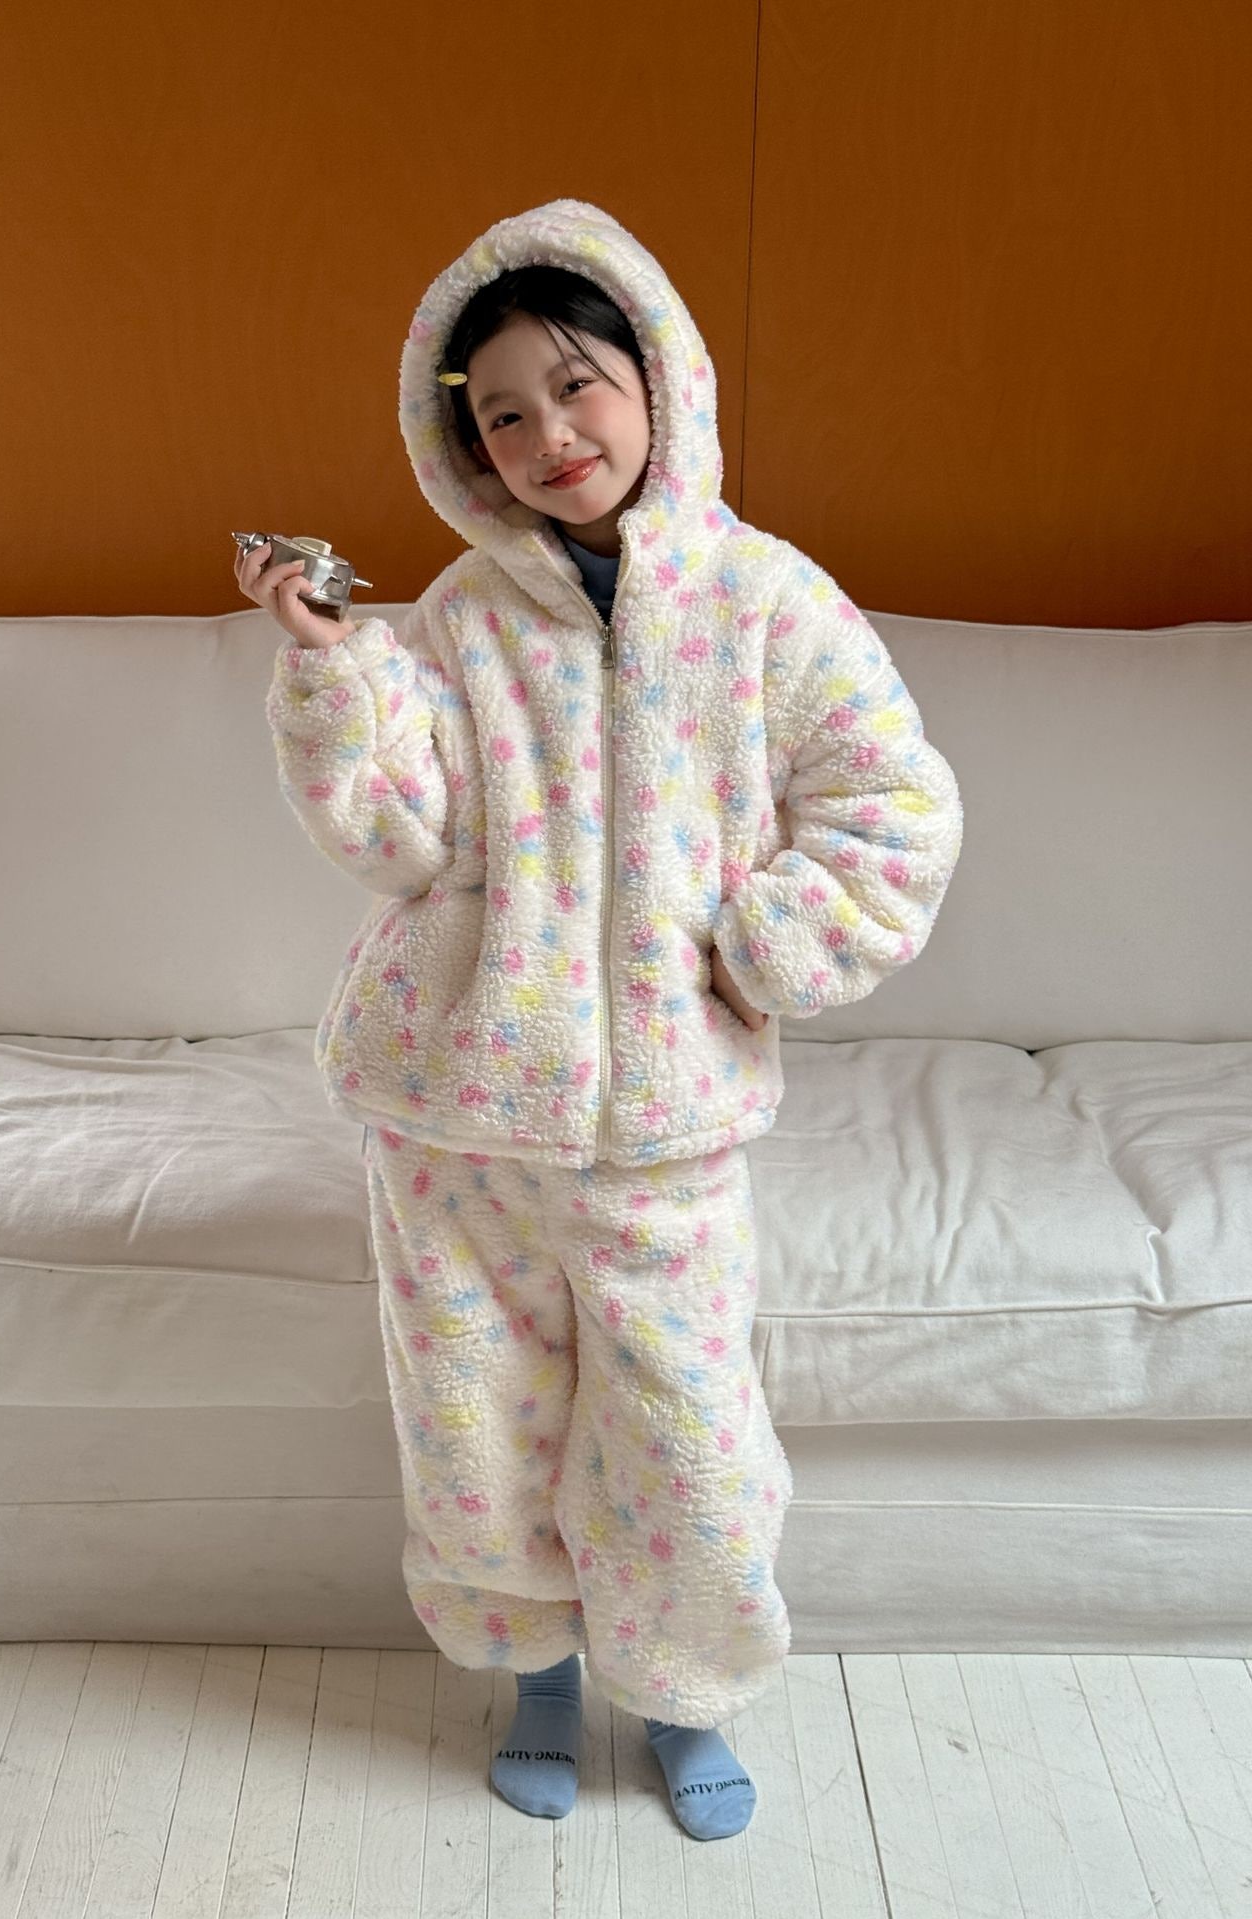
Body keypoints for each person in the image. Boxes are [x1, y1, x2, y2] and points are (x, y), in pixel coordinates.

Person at [241, 198, 964, 1839]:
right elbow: (397, 838)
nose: (550, 435)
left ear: (659, 380)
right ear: (467, 448)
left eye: (576, 386)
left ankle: (686, 1690)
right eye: (503, 414)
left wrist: (755, 948)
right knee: (473, 1425)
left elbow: (895, 809)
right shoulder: (458, 619)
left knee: (685, 1442)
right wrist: (336, 667)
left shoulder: (767, 603)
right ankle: (539, 1682)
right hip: (453, 1123)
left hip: (664, 1131)